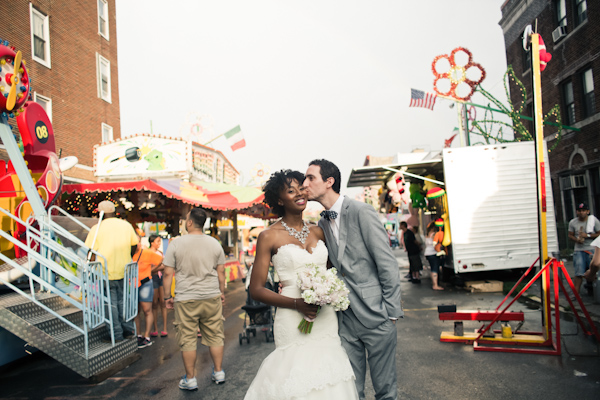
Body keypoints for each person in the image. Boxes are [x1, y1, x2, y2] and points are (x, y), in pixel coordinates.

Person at [245, 169, 358, 399]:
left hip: (324, 317)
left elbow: (330, 272)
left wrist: (329, 292)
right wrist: (297, 303)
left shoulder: (319, 231)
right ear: (279, 199)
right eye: (290, 190)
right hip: (291, 316)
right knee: (295, 377)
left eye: (301, 188)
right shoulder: (269, 236)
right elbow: (255, 289)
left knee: (328, 377)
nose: (299, 194)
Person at [304, 159, 403, 400]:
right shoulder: (322, 222)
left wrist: (390, 312)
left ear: (329, 182)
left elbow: (387, 263)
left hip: (376, 314)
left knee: (385, 391)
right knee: (350, 390)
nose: (305, 183)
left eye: (310, 178)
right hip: (345, 318)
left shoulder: (361, 211)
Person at [162, 208, 226, 391]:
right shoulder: (214, 244)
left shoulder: (176, 244)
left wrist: (167, 296)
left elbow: (167, 273)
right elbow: (221, 271)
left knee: (188, 338)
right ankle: (219, 372)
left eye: (185, 219)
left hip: (185, 298)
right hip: (211, 295)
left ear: (189, 222)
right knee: (215, 334)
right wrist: (221, 292)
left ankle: (190, 379)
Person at [85, 200, 139, 342]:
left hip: (105, 271)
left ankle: (116, 334)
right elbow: (135, 245)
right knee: (123, 301)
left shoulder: (96, 228)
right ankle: (128, 330)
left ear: (100, 213)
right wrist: (127, 256)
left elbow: (90, 252)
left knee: (110, 304)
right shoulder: (126, 225)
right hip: (125, 270)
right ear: (114, 211)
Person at [133, 234, 163, 348]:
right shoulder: (128, 254)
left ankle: (147, 336)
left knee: (147, 310)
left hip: (145, 282)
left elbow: (160, 260)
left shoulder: (146, 252)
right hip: (133, 284)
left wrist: (151, 270)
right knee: (136, 311)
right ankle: (138, 335)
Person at [568, 202, 600, 294]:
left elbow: (599, 234)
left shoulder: (593, 221)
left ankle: (595, 292)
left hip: (592, 248)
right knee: (579, 272)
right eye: (579, 211)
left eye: (584, 211)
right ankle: (576, 294)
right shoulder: (573, 222)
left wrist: (588, 235)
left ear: (588, 211)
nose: (582, 213)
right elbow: (570, 235)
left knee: (594, 271)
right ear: (577, 212)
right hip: (579, 250)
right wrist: (576, 240)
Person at [148, 234, 168, 337]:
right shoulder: (149, 253)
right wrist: (159, 266)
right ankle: (155, 328)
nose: (159, 244)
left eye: (160, 241)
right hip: (154, 279)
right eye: (157, 241)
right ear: (152, 243)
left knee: (163, 303)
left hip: (161, 278)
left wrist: (158, 267)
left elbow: (163, 266)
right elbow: (150, 270)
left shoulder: (160, 253)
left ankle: (164, 328)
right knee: (154, 303)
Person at [424, 222, 444, 290]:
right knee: (435, 269)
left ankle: (434, 283)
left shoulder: (427, 234)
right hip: (433, 253)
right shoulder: (434, 234)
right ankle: (435, 285)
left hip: (427, 253)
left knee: (433, 268)